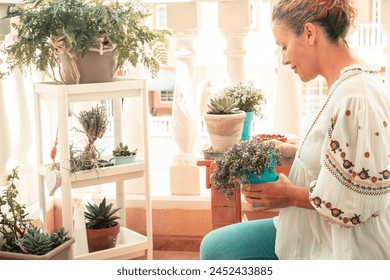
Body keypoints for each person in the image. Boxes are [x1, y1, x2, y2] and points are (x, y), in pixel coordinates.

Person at [200, 0, 390, 260]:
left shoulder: (356, 97)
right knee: (216, 246)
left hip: (345, 248)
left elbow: (355, 205)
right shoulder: (344, 85)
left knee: (218, 251)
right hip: (312, 231)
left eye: (284, 46)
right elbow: (348, 159)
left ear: (309, 33)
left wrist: (287, 195)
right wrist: (294, 151)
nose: (285, 59)